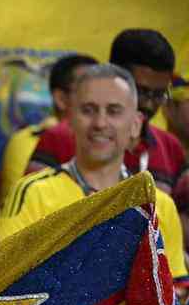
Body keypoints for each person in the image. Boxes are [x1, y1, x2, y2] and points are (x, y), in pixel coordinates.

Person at [0, 64, 186, 282]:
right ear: (70, 120)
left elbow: (175, 296)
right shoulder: (32, 194)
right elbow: (5, 293)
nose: (100, 123)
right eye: (88, 110)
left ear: (136, 124)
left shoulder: (158, 204)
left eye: (114, 111)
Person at [29, 29, 186, 198]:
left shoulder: (170, 149)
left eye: (158, 94)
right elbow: (34, 211)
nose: (148, 104)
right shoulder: (58, 139)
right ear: (112, 76)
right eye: (140, 91)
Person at [0, 53, 96, 201]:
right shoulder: (30, 142)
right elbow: (31, 205)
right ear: (61, 99)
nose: (99, 98)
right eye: (89, 90)